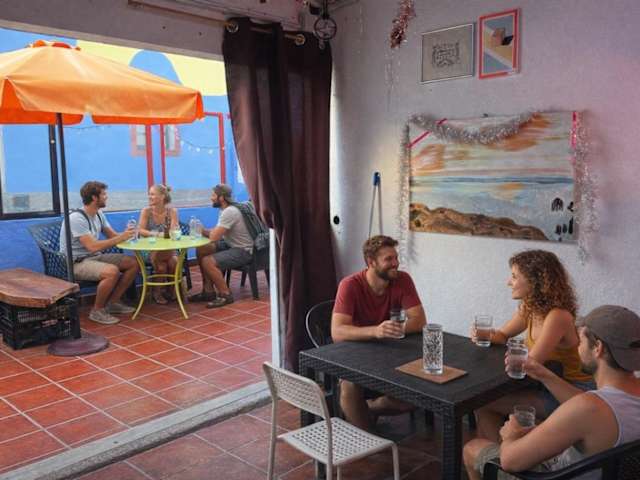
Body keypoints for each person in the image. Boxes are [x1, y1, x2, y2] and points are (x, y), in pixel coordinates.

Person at [464, 305, 640, 479]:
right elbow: (590, 407)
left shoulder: (587, 408)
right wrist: (543, 374)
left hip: (554, 474)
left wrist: (511, 437)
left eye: (581, 341)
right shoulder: (608, 401)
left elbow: (509, 461)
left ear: (597, 348)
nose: (577, 348)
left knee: (472, 448)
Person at [472, 250, 594, 443]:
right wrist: (484, 334)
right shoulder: (529, 309)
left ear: (536, 281)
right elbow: (503, 335)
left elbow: (530, 364)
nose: (509, 282)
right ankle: (498, 456)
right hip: (545, 383)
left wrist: (513, 355)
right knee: (483, 403)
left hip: (570, 391)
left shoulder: (557, 316)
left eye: (514, 276)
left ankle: (503, 457)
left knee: (483, 403)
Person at [331, 235, 427, 431]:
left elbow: (419, 321)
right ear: (371, 262)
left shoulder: (403, 280)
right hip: (356, 353)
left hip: (390, 353)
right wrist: (376, 331)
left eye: (396, 257)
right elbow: (337, 331)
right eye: (388, 259)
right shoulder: (350, 285)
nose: (396, 263)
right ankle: (367, 439)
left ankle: (368, 408)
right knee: (349, 385)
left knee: (421, 394)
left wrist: (393, 329)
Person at [60, 181, 138, 325]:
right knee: (111, 271)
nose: (106, 197)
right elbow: (92, 246)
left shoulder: (99, 214)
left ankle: (113, 303)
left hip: (94, 257)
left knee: (133, 263)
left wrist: (129, 235)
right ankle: (97, 310)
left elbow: (112, 236)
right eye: (104, 194)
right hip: (76, 263)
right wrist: (121, 237)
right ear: (94, 198)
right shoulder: (76, 218)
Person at [188, 184, 254, 308]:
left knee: (208, 261)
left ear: (221, 197)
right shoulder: (225, 209)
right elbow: (217, 232)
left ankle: (225, 294)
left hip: (243, 250)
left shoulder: (229, 212)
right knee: (202, 248)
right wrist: (205, 231)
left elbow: (214, 237)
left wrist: (201, 230)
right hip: (231, 245)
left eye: (213, 195)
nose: (211, 198)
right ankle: (208, 291)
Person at [137, 184, 179, 304]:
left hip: (169, 249)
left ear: (162, 196)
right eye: (149, 194)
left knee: (172, 262)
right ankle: (159, 292)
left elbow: (173, 232)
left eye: (152, 194)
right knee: (164, 264)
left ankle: (168, 290)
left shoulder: (172, 211)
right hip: (149, 250)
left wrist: (168, 233)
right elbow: (140, 230)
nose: (149, 197)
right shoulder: (146, 211)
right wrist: (156, 234)